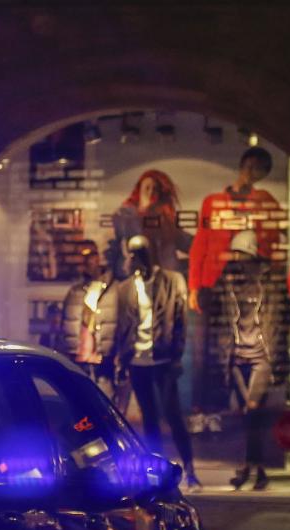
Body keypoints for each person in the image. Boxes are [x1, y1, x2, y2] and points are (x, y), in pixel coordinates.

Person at [187, 147, 283, 432]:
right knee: (205, 350)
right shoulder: (213, 202)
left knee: (231, 349)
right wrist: (194, 285)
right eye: (252, 166)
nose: (254, 173)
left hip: (243, 283)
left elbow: (272, 243)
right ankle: (202, 409)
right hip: (212, 282)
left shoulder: (266, 202)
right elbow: (201, 244)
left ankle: (225, 408)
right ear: (243, 165)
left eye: (261, 170)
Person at [113, 234, 201, 491]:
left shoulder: (171, 281)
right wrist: (122, 358)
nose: (132, 259)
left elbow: (180, 321)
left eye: (136, 253)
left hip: (162, 358)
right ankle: (159, 472)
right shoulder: (126, 287)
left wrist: (176, 355)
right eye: (130, 254)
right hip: (138, 360)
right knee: (149, 418)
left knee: (173, 415)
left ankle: (190, 469)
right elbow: (123, 325)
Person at [216, 230, 289, 491]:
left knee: (252, 408)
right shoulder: (228, 280)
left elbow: (284, 318)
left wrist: (279, 357)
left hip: (261, 355)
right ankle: (255, 469)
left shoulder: (270, 280)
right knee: (247, 416)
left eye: (241, 254)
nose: (237, 258)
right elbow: (222, 317)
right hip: (236, 356)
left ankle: (252, 468)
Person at [59, 240, 128, 411]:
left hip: (104, 357)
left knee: (106, 404)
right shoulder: (75, 291)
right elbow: (66, 324)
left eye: (90, 256)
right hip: (79, 357)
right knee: (80, 405)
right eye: (83, 258)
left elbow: (123, 323)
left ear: (98, 258)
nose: (87, 262)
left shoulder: (115, 289)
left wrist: (120, 353)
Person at [112, 169, 192, 273]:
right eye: (147, 188)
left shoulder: (165, 221)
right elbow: (127, 239)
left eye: (155, 189)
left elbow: (187, 242)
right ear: (139, 190)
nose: (150, 192)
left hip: (165, 276)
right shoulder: (124, 215)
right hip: (135, 274)